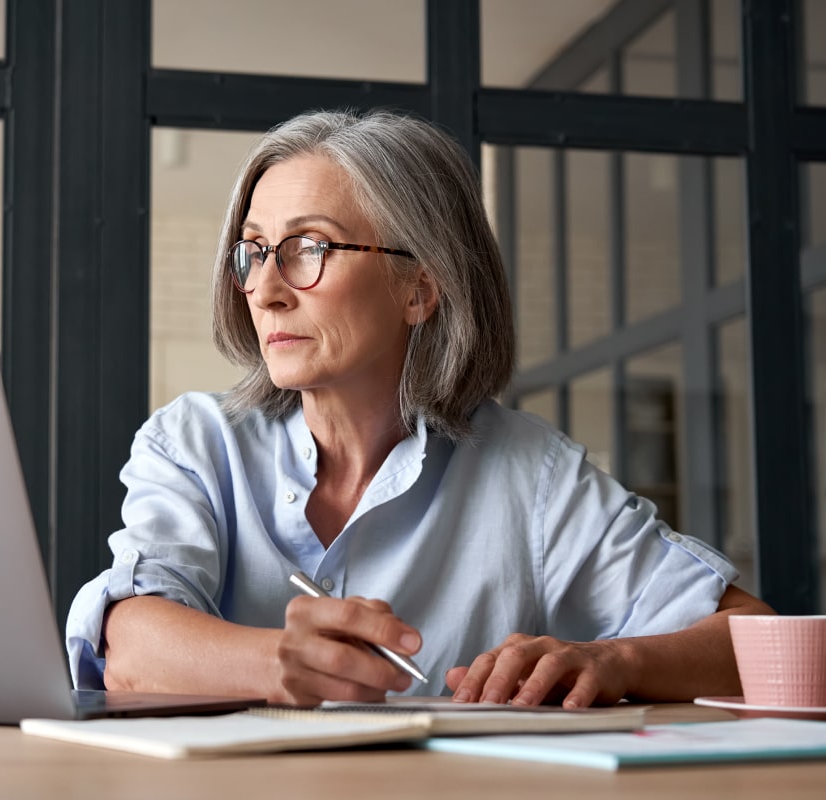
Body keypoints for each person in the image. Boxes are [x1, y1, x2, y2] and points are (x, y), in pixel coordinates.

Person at [66, 108, 773, 708]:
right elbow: (127, 644)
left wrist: (616, 663)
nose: (267, 289)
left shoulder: (533, 475)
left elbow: (760, 642)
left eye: (308, 247)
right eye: (253, 252)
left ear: (420, 289)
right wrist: (281, 662)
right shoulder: (193, 442)